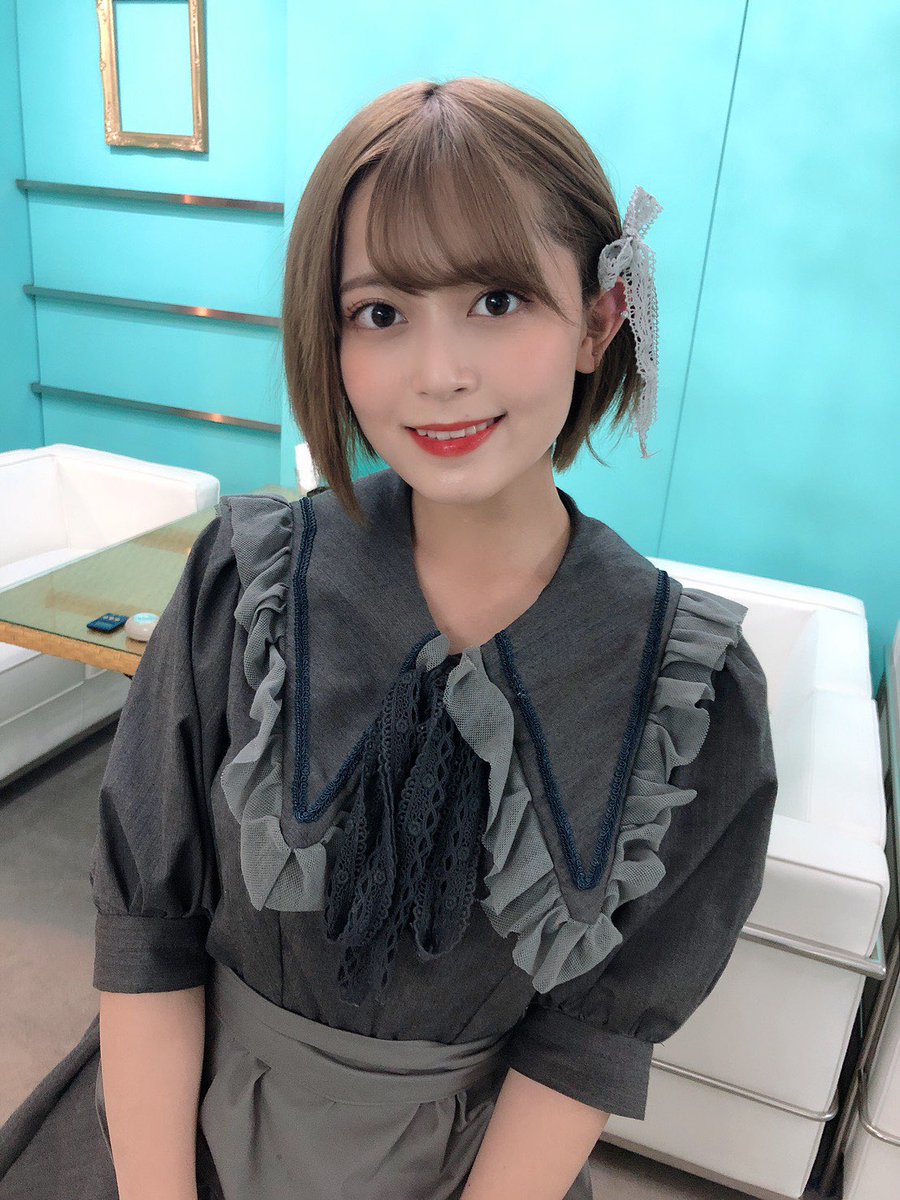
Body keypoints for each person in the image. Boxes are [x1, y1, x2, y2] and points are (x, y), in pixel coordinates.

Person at [0, 76, 778, 1200]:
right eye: (380, 313)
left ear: (600, 319)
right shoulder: (246, 585)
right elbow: (147, 933)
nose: (438, 372)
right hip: (173, 1141)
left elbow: (587, 1043)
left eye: (498, 300)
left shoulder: (684, 687)